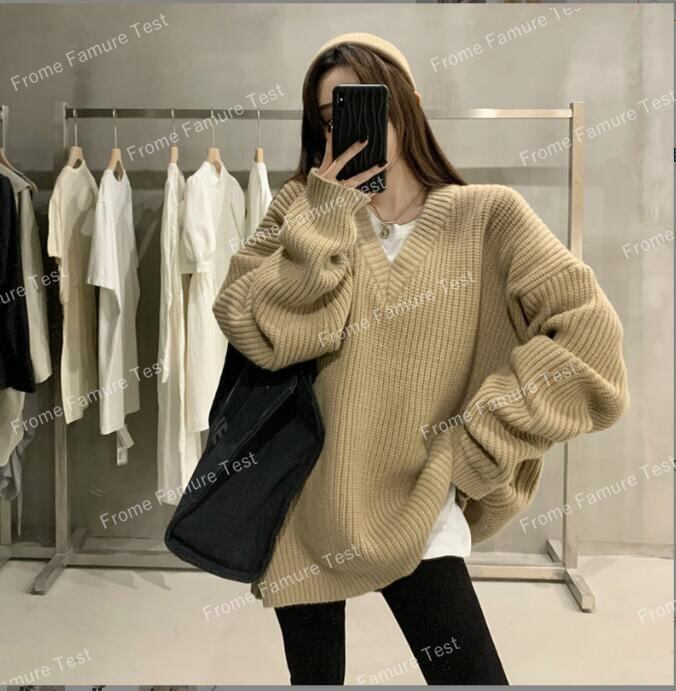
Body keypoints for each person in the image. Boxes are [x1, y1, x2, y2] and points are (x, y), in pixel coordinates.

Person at [212, 32, 629, 685]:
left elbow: (591, 338)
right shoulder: (302, 209)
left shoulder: (488, 217)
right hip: (303, 508)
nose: (346, 130)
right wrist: (326, 214)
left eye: (362, 106)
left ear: (406, 104)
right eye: (329, 119)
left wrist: (481, 439)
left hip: (420, 507)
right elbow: (253, 325)